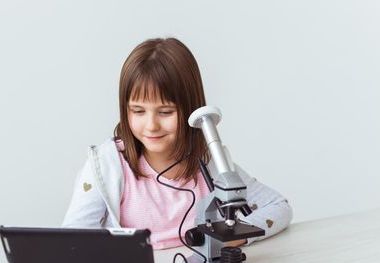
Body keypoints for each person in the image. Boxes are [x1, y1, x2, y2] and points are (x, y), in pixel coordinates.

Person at [62, 37, 292, 250]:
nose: (151, 125)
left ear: (190, 110)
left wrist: (232, 238)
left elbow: (279, 207)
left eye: (165, 112)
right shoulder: (106, 165)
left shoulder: (208, 162)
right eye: (138, 111)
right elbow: (73, 240)